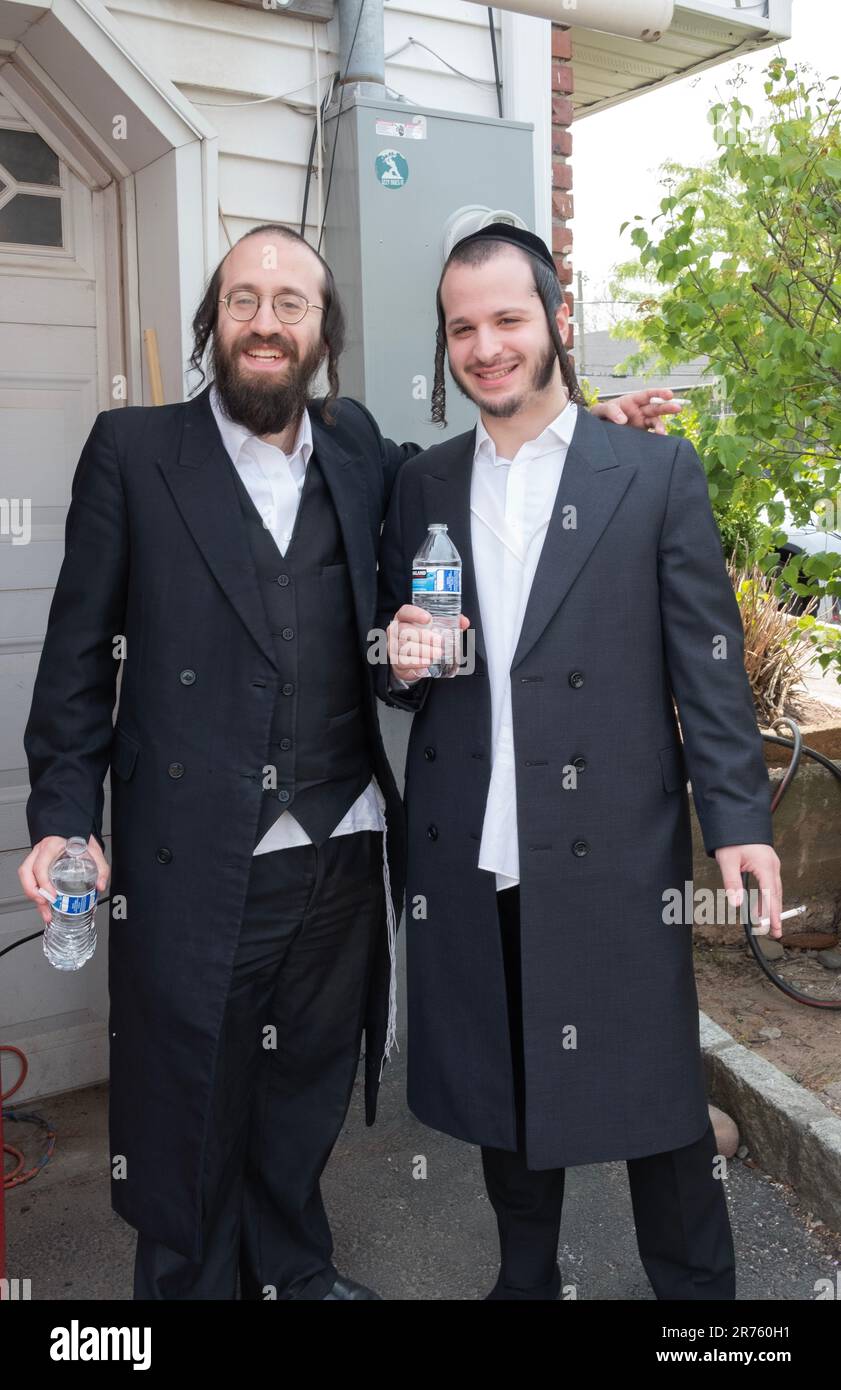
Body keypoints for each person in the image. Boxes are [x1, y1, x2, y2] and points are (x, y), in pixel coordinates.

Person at [17, 220, 680, 1301]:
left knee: (304, 1083)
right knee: (189, 1097)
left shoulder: (364, 450)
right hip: (193, 852)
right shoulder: (134, 453)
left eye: (292, 304)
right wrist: (60, 810)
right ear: (213, 326)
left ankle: (294, 1268)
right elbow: (79, 655)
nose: (266, 322)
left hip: (338, 843)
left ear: (323, 335)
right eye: (243, 301)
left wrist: (590, 429)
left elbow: (493, 474)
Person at [376, 223, 783, 1301]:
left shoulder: (647, 470)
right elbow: (390, 656)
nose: (485, 346)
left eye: (507, 319)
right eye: (462, 327)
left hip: (612, 853)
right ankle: (526, 1280)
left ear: (556, 321)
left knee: (656, 1110)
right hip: (475, 849)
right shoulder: (422, 483)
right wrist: (402, 657)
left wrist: (739, 821)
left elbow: (708, 666)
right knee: (501, 1094)